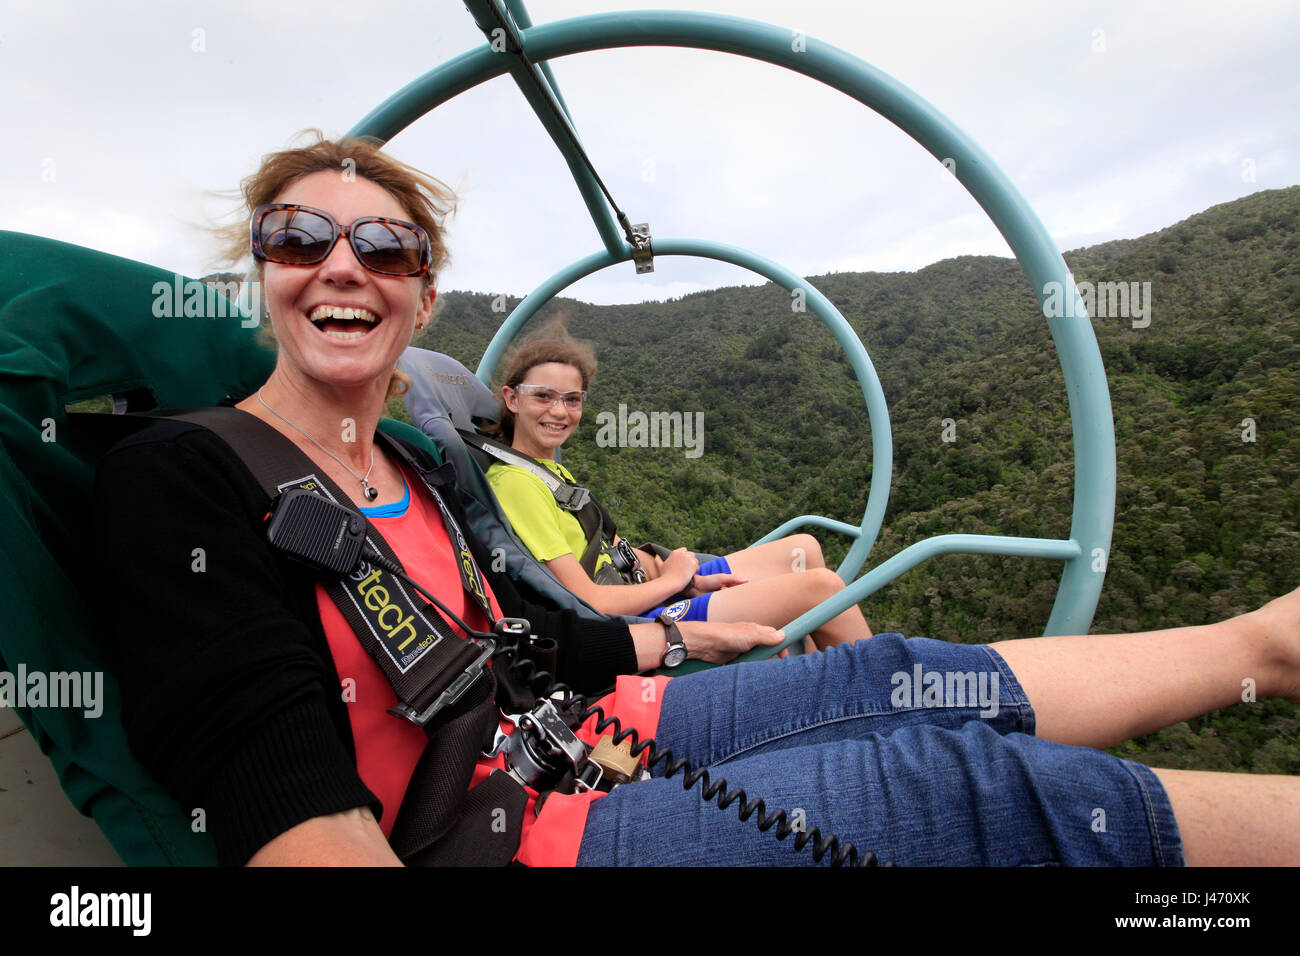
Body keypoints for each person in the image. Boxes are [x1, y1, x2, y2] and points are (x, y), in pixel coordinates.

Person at [92, 133, 1300, 867]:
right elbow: (285, 804)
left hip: (572, 721)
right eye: (300, 236)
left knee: (890, 681)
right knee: (960, 799)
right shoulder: (189, 475)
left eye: (387, 247)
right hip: (495, 830)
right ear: (263, 269)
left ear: (421, 292)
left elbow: (532, 633)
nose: (342, 264)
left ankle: (1262, 643)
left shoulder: (410, 460)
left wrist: (670, 633)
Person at [484, 337, 873, 650]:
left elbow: (612, 549)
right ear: (512, 398)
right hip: (639, 621)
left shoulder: (547, 470)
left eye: (572, 399)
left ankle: (822, 676)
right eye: (543, 396)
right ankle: (883, 693)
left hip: (652, 590)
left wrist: (689, 581)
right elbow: (591, 601)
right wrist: (671, 582)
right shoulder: (517, 483)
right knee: (822, 588)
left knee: (802, 550)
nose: (559, 411)